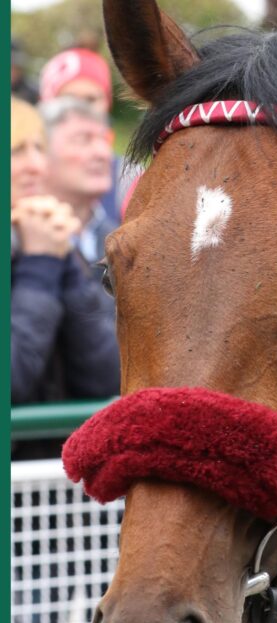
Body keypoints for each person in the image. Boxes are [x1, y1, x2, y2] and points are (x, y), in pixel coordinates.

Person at [10, 97, 120, 456]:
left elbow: (106, 375)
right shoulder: (39, 251)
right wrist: (41, 264)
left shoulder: (47, 237)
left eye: (38, 149)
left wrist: (61, 261)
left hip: (55, 489)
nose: (35, 166)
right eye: (15, 151)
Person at [39, 47, 133, 225]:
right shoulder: (22, 180)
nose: (82, 109)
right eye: (69, 98)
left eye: (91, 99)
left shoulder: (129, 178)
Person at [39, 96, 117, 264]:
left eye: (105, 140)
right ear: (42, 151)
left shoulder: (121, 243)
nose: (103, 153)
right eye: (83, 140)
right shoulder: (19, 242)